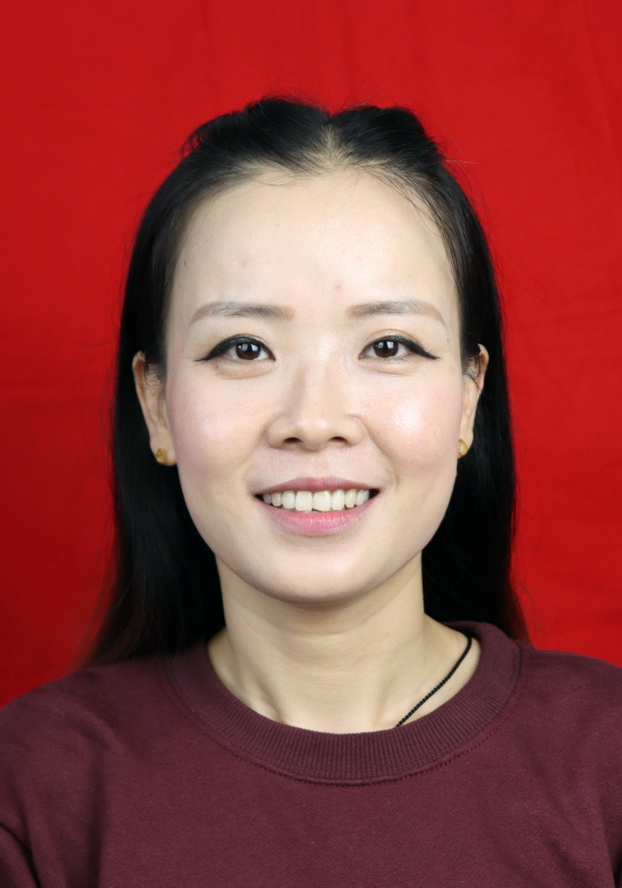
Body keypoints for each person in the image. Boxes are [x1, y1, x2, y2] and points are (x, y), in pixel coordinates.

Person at [1, 98, 621, 887]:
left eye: (388, 345)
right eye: (244, 348)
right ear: (157, 406)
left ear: (469, 397)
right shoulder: (36, 791)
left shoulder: (606, 761)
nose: (314, 420)